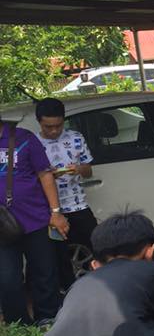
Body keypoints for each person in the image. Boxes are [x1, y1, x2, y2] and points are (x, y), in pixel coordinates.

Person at [0, 118, 68, 328]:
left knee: (44, 272)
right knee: (7, 278)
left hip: (36, 218)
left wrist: (55, 212)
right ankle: (19, 326)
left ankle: (47, 318)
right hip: (2, 226)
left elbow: (45, 174)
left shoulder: (24, 138)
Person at [35, 97, 97, 289]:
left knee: (95, 246)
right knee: (58, 256)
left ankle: (98, 286)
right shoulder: (33, 143)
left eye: (58, 126)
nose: (53, 131)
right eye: (48, 127)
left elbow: (89, 171)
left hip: (78, 204)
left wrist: (78, 169)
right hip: (50, 211)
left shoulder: (75, 138)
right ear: (39, 122)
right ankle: (67, 292)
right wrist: (45, 176)